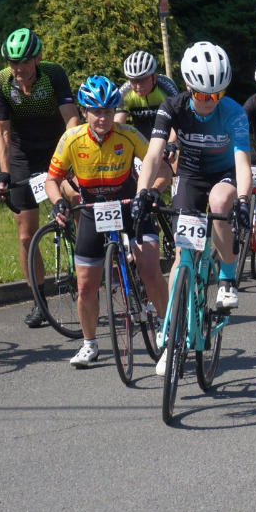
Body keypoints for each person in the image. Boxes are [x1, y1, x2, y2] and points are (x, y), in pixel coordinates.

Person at [44, 76, 171, 367]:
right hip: (92, 209)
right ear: (84, 111)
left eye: (108, 111)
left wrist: (153, 191)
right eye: (96, 111)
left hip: (129, 205)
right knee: (86, 286)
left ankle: (167, 329)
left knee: (150, 269)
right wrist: (59, 201)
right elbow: (52, 179)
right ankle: (89, 344)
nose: (103, 118)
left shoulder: (128, 134)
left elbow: (163, 169)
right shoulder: (71, 139)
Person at [136, 42, 252, 353]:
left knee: (219, 202)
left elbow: (243, 162)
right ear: (188, 87)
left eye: (217, 94)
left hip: (224, 174)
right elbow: (153, 155)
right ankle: (172, 325)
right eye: (202, 95)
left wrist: (243, 200)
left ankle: (227, 278)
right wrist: (142, 192)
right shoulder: (172, 107)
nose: (210, 101)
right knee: (181, 254)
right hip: (189, 175)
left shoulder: (234, 112)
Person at [0, 27, 80, 328]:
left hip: (56, 150)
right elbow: (1, 131)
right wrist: (4, 172)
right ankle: (39, 302)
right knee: (26, 235)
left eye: (25, 61)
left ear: (38, 58)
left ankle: (86, 264)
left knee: (76, 199)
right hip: (23, 156)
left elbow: (71, 118)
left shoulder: (53, 74)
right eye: (13, 62)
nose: (19, 68)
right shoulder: (1, 82)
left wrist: (70, 158)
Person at [115, 50, 179, 138]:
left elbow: (178, 122)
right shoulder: (125, 92)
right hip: (141, 140)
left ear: (154, 77)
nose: (138, 86)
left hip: (167, 137)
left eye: (143, 80)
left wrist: (171, 143)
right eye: (133, 81)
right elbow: (118, 126)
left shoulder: (166, 87)